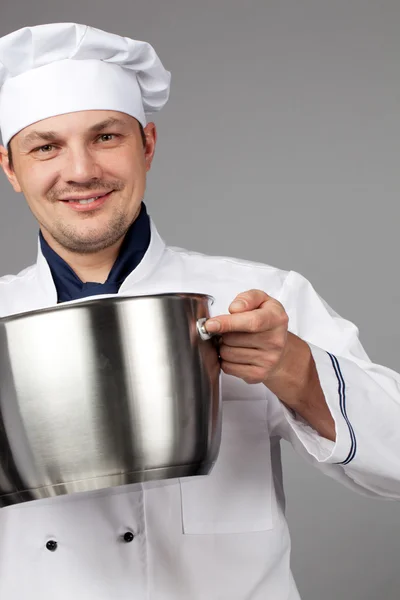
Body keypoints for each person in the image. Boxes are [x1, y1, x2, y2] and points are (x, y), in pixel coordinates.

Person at [0, 22, 399, 600]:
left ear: (149, 145)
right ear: (11, 169)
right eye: (46, 146)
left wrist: (291, 365)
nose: (82, 170)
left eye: (107, 137)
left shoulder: (257, 298)